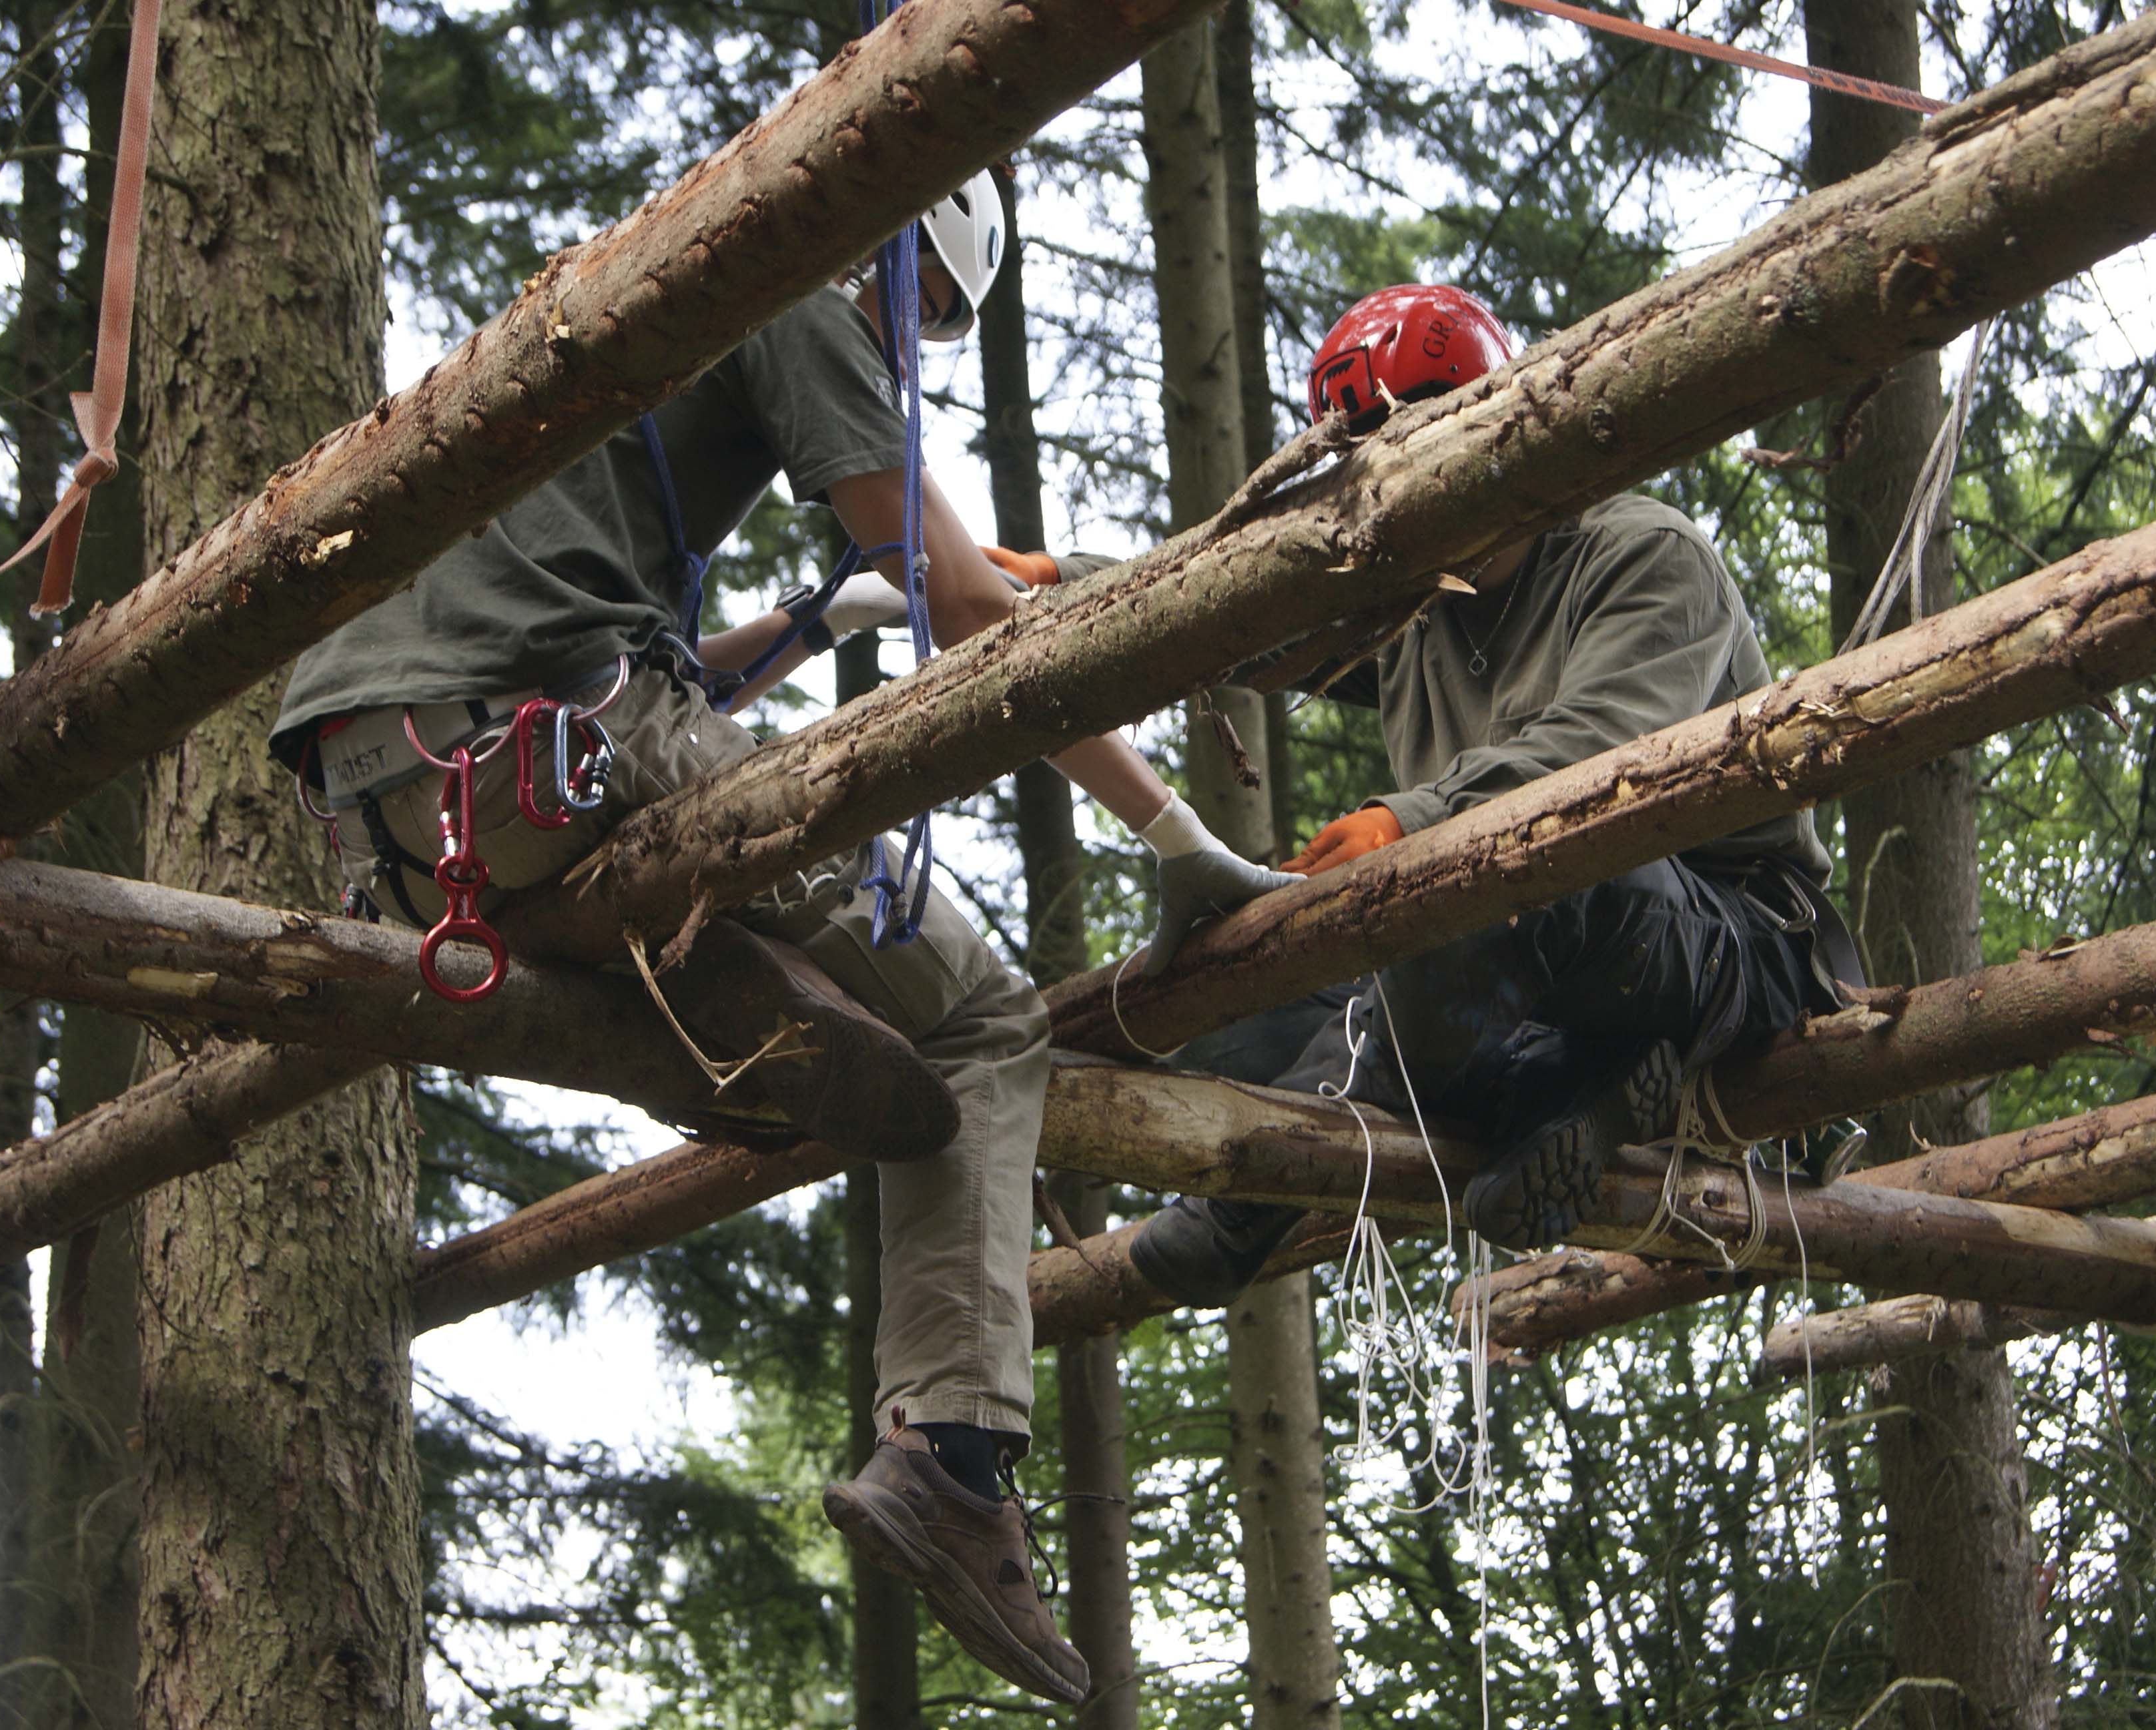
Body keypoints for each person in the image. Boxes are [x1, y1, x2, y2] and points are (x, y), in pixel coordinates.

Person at [272, 171, 1291, 1709]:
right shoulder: (807, 288)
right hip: (557, 736)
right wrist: (1174, 833)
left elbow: (691, 666)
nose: (912, 357)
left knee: (756, 947)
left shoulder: (619, 358)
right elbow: (964, 594)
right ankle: (953, 1450)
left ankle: (735, 995)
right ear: (904, 261)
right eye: (928, 320)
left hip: (416, 816)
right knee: (984, 1017)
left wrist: (819, 624)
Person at [1126, 283, 1862, 1307]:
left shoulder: (1645, 552)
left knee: (1498, 886)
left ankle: (1259, 1198)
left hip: (1714, 932)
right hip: (1499, 931)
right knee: (1240, 1012)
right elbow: (1255, 620)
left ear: (1502, 428)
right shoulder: (1417, 614)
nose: (1419, 490)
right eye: (1385, 467)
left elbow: (1603, 759)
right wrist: (1062, 587)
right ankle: (1569, 1092)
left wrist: (1405, 824)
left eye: (1437, 449)